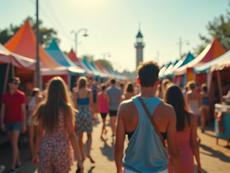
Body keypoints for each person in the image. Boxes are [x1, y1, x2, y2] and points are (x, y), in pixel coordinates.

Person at [114, 61, 181, 173]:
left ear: (138, 81)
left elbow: (118, 147)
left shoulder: (124, 108)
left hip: (131, 168)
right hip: (159, 169)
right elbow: (174, 152)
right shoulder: (168, 110)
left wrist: (118, 169)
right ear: (157, 82)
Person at [31, 77, 83, 173]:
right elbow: (71, 134)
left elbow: (39, 133)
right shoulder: (66, 109)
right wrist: (79, 159)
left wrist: (35, 153)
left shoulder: (43, 107)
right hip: (62, 149)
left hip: (45, 148)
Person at [164, 85, 202, 173]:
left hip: (168, 160)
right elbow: (194, 144)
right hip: (186, 160)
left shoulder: (164, 118)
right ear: (182, 99)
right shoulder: (191, 117)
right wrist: (199, 164)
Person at [1, 77, 26, 173]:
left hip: (17, 121)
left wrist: (24, 124)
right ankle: (19, 163)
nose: (17, 85)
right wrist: (2, 122)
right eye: (15, 83)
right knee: (13, 144)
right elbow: (3, 109)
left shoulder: (21, 95)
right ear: (9, 84)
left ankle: (12, 167)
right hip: (8, 121)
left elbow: (23, 111)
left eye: (18, 83)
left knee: (13, 143)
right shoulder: (5, 95)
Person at [73, 76, 96, 163]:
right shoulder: (89, 92)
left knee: (80, 136)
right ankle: (89, 152)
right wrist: (94, 116)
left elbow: (75, 106)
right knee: (89, 135)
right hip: (87, 114)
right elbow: (91, 105)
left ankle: (82, 154)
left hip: (79, 115)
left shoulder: (76, 92)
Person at [26, 88, 42, 158]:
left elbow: (24, 108)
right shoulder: (39, 99)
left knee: (31, 137)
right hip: (37, 118)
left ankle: (32, 154)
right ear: (36, 93)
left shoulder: (28, 98)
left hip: (30, 118)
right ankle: (36, 153)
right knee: (37, 136)